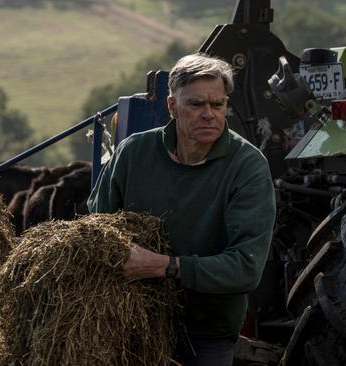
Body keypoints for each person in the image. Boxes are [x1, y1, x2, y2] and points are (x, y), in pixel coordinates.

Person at [87, 53, 276, 366]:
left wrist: (164, 265)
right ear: (172, 106)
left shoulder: (248, 166)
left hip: (206, 333)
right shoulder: (134, 152)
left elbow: (246, 267)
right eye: (195, 104)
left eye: (217, 105)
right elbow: (97, 226)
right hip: (131, 322)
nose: (208, 114)